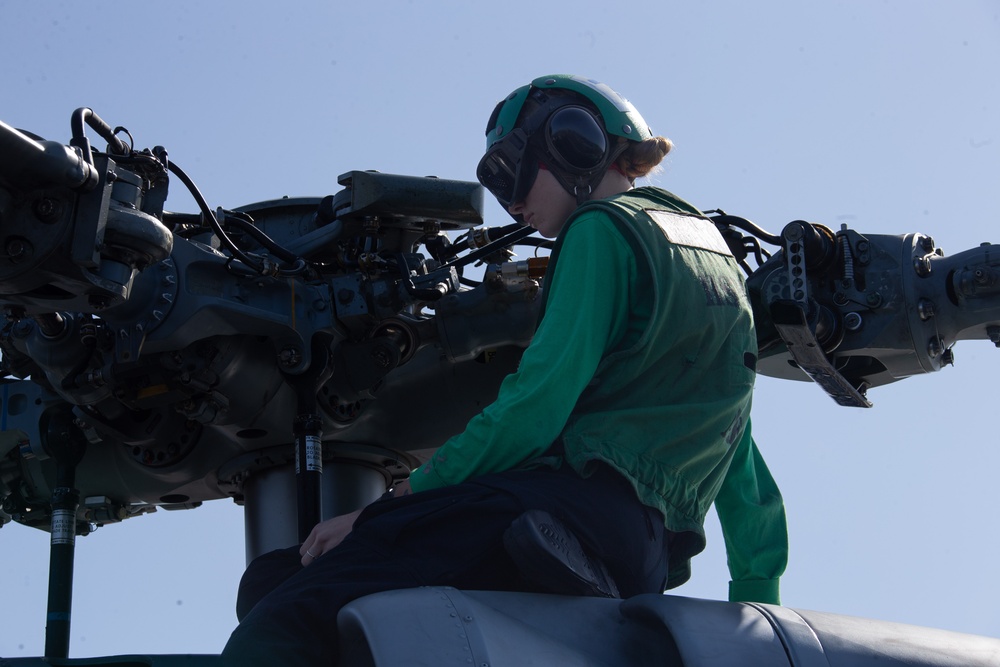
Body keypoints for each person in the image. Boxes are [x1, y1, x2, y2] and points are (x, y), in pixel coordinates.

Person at [222, 74, 787, 665]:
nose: (511, 202)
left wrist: (391, 504)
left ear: (576, 142)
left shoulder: (601, 229)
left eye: (511, 170)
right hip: (640, 557)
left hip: (565, 511)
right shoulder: (716, 266)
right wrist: (758, 611)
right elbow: (747, 482)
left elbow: (536, 403)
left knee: (284, 601)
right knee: (285, 578)